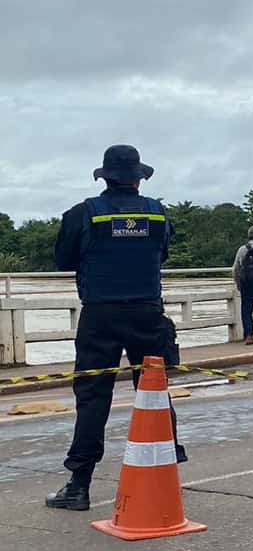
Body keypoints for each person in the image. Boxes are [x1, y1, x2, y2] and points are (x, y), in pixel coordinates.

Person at [46, 145, 187, 512]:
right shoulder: (159, 214)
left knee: (93, 397)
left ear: (104, 177)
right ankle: (165, 473)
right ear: (139, 178)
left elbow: (63, 260)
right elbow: (163, 254)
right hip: (147, 312)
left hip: (100, 316)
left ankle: (79, 486)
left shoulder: (83, 214)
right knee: (153, 393)